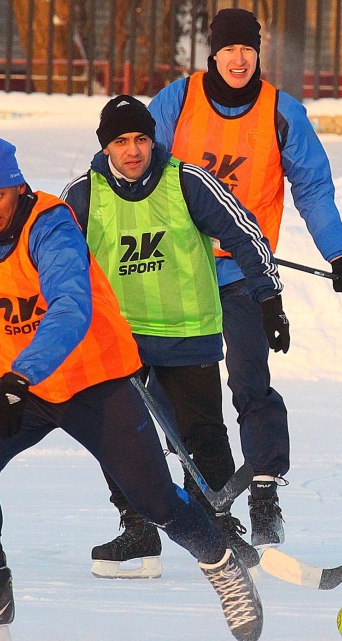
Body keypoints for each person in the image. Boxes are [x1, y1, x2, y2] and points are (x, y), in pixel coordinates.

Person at [0, 137, 263, 641]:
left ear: (18, 187)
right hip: (25, 388)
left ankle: (223, 566)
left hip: (94, 380)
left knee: (151, 498)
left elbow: (70, 306)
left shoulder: (52, 226)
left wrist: (20, 375)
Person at [147, 8, 342, 548]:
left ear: (257, 53)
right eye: (229, 50)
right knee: (182, 386)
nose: (239, 59)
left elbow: (312, 188)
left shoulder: (282, 112)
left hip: (246, 270)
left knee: (250, 378)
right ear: (213, 54)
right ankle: (199, 495)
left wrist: (338, 256)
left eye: (248, 49)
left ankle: (264, 488)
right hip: (179, 269)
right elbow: (136, 171)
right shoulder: (176, 102)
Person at [61, 95, 285, 576]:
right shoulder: (83, 193)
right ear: (106, 148)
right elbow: (55, 260)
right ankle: (138, 526)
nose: (133, 150)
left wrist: (268, 299)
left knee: (202, 434)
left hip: (188, 332)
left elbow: (245, 232)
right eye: (121, 142)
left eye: (141, 139)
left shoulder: (187, 181)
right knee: (116, 434)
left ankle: (217, 524)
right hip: (119, 340)